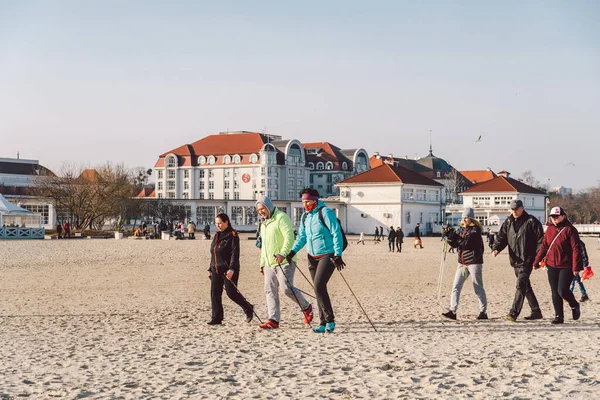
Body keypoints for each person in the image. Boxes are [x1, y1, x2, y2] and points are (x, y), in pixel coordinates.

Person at [287, 188, 345, 333]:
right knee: (318, 288)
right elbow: (302, 237)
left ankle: (330, 320)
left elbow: (336, 232)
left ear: (315, 200)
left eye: (307, 201)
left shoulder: (325, 212)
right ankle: (322, 322)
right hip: (311, 256)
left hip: (328, 254)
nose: (305, 204)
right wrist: (293, 251)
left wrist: (338, 254)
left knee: (319, 285)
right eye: (303, 202)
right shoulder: (305, 216)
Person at [255, 195, 313, 329]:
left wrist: (283, 254)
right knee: (269, 290)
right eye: (258, 210)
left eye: (262, 208)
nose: (261, 212)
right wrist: (262, 264)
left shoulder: (281, 217)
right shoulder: (263, 223)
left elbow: (289, 237)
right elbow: (264, 246)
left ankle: (306, 307)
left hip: (285, 261)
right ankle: (273, 320)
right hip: (269, 263)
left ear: (268, 206)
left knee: (286, 288)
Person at [493, 199, 544, 322]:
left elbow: (541, 240)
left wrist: (538, 257)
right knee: (525, 286)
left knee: (520, 284)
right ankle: (536, 311)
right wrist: (496, 248)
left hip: (528, 259)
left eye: (516, 209)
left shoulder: (532, 221)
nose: (514, 211)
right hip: (515, 259)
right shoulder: (508, 222)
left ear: (522, 208)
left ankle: (513, 313)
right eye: (512, 209)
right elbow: (502, 237)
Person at [533, 207, 581, 324]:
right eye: (553, 217)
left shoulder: (570, 230)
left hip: (566, 265)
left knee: (562, 290)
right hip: (551, 264)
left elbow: (576, 248)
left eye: (557, 217)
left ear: (563, 216)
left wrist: (576, 267)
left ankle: (574, 305)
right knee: (554, 291)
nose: (554, 219)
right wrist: (536, 261)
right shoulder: (549, 229)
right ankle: (559, 316)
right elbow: (544, 246)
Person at [207, 213, 254, 325]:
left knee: (231, 293)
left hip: (229, 269)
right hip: (216, 269)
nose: (218, 225)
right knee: (215, 293)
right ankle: (216, 318)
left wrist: (231, 269)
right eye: (216, 223)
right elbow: (213, 252)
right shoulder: (217, 235)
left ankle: (248, 307)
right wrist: (210, 268)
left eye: (220, 223)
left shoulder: (233, 236)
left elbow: (235, 254)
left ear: (226, 222)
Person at [442, 208, 488, 320]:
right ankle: (453, 311)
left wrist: (455, 237)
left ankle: (483, 312)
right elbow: (456, 244)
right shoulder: (462, 229)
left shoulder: (475, 230)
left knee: (478, 288)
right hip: (462, 262)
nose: (464, 219)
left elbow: (466, 243)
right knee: (456, 286)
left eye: (466, 217)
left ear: (471, 218)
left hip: (474, 262)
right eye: (463, 217)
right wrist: (449, 236)